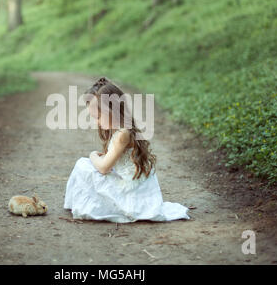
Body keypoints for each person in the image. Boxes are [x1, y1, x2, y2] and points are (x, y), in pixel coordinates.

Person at [63, 77, 190, 223]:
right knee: (86, 166)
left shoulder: (123, 134)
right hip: (128, 182)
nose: (96, 122)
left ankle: (85, 204)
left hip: (129, 189)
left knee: (83, 164)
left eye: (97, 117)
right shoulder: (121, 131)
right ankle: (80, 202)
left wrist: (93, 156)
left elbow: (104, 168)